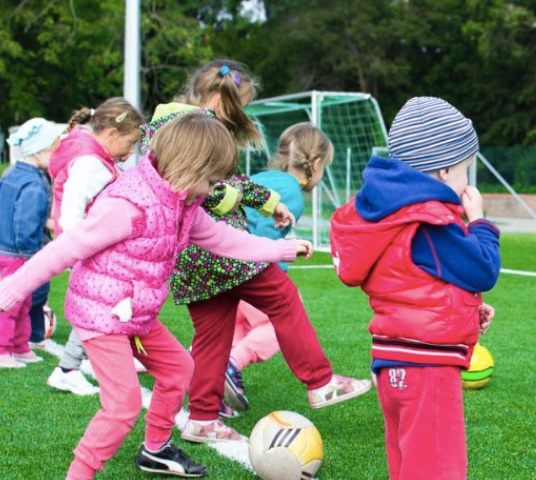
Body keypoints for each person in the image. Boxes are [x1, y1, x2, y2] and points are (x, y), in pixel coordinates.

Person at [0, 112, 313, 480]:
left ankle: (155, 450)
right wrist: (13, 288)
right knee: (123, 403)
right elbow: (67, 248)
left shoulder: (184, 203)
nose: (215, 191)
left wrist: (280, 249)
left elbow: (222, 239)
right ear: (189, 168)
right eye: (212, 181)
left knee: (180, 369)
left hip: (136, 315)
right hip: (102, 315)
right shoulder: (128, 205)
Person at [142, 59, 370, 445]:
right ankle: (320, 381)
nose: (240, 115)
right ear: (218, 99)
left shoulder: (170, 123)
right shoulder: (190, 127)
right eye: (239, 106)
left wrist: (269, 203)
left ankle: (201, 417)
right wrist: (235, 202)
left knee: (214, 335)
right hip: (220, 250)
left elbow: (230, 179)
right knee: (282, 298)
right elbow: (201, 187)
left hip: (191, 258)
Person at [329, 97, 500, 480]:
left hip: (396, 357)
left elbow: (414, 281)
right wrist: (481, 221)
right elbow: (482, 265)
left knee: (409, 458)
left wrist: (468, 311)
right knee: (437, 460)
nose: (469, 182)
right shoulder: (429, 220)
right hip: (425, 365)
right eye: (466, 169)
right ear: (444, 168)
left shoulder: (391, 214)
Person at [223, 122, 335, 412]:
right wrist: (280, 259)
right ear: (317, 163)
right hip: (248, 268)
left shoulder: (262, 177)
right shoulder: (292, 194)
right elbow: (263, 236)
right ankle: (232, 364)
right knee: (277, 323)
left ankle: (200, 371)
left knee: (230, 329)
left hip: (221, 265)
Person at [44, 97, 145, 397]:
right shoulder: (91, 164)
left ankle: (93, 362)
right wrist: (81, 245)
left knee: (113, 303)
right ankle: (67, 369)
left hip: (93, 248)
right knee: (100, 308)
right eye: (129, 143)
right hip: (90, 250)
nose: (129, 154)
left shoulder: (95, 157)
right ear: (112, 135)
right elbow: (73, 209)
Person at [0, 117, 65, 368]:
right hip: (18, 252)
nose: (56, 156)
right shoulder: (34, 183)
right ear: (41, 151)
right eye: (54, 150)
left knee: (23, 300)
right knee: (12, 301)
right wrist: (31, 254)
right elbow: (26, 221)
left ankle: (20, 347)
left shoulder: (12, 174)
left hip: (6, 248)